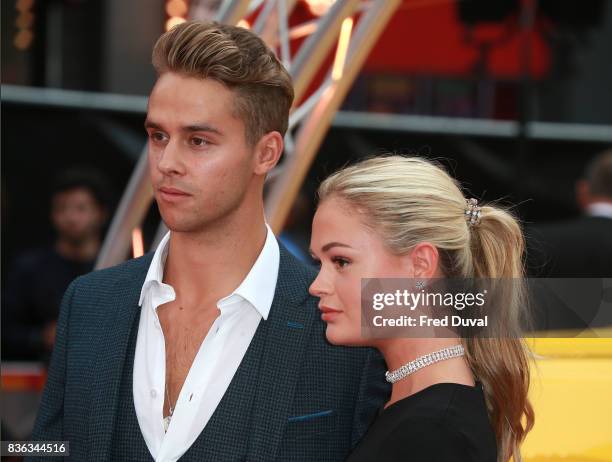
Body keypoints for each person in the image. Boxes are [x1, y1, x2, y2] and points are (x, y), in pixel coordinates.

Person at [29, 21, 389, 462]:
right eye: (158, 136)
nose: (167, 162)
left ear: (267, 153)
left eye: (198, 141)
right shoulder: (88, 303)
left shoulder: (340, 321)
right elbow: (47, 448)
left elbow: (485, 313)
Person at [309, 155, 534, 461]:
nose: (316, 285)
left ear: (420, 265)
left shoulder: (433, 433)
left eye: (341, 261)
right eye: (318, 263)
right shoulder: (420, 410)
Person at [3, 168, 109, 361]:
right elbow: (7, 330)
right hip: (40, 377)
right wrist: (42, 337)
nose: (70, 217)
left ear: (100, 213)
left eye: (80, 208)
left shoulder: (118, 265)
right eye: (62, 208)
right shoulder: (29, 268)